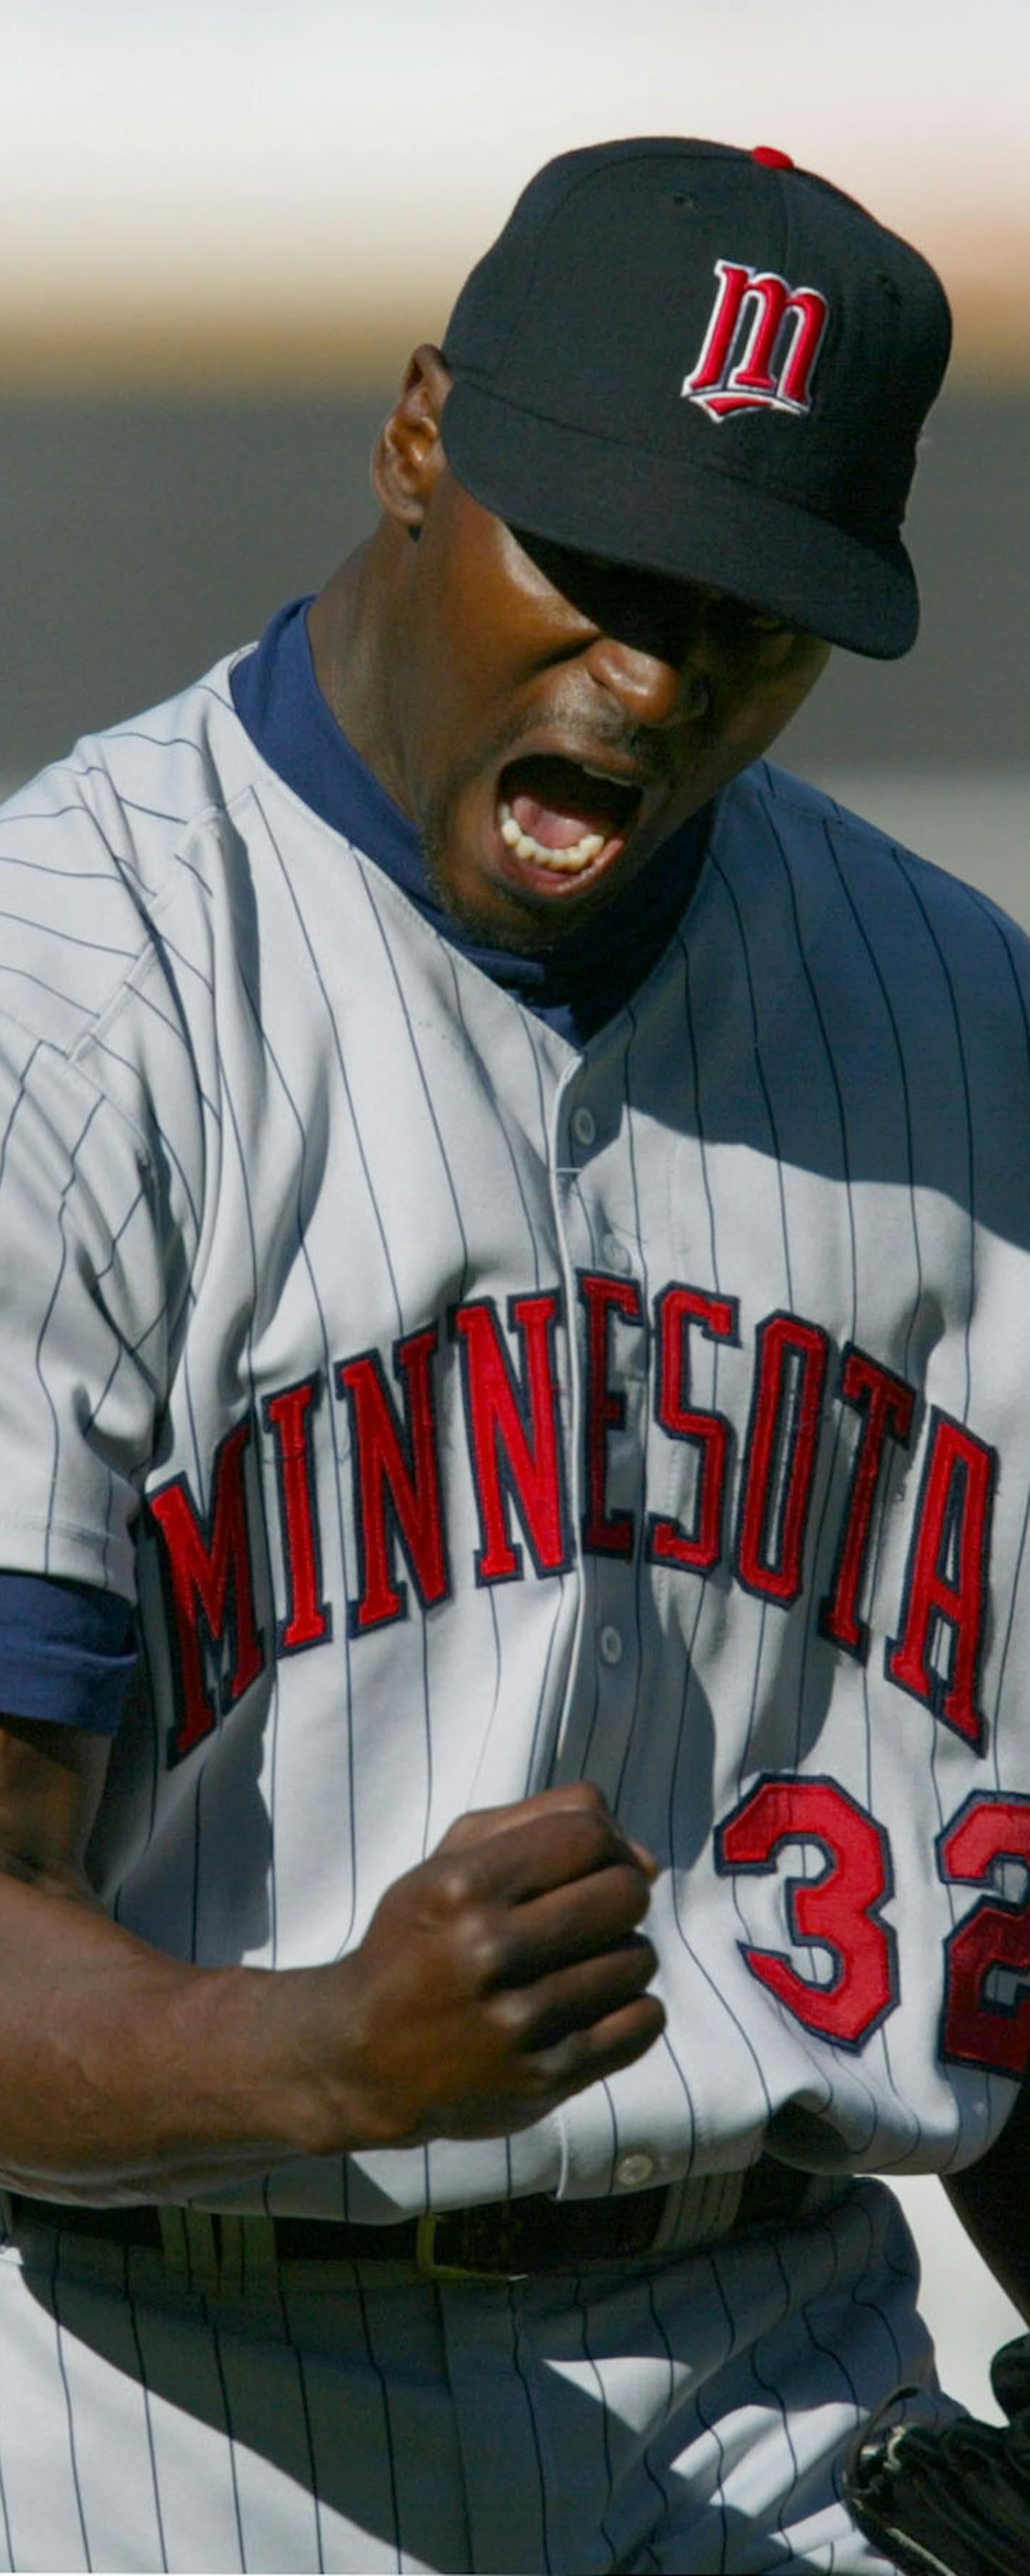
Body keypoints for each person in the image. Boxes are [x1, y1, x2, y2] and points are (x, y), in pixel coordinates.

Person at [0, 130, 1026, 2576]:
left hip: (795, 2391)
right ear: (420, 438)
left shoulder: (962, 1024)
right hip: (191, 2405)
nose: (655, 682)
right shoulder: (73, 1011)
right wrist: (321, 2048)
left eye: (749, 618)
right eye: (598, 573)